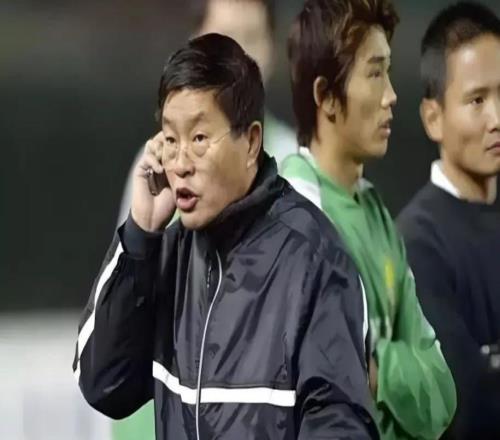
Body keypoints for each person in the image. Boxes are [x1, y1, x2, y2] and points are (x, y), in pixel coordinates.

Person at [73, 33, 379, 440]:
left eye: (199, 139)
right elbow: (103, 384)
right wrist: (140, 232)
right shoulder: (165, 251)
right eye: (170, 139)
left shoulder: (313, 259)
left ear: (251, 142)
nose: (180, 162)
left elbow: (340, 427)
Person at [280, 1, 456, 439]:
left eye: (388, 72)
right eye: (375, 73)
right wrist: (397, 371)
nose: (391, 95)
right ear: (325, 96)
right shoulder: (293, 214)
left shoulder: (376, 215)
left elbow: (441, 397)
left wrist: (380, 369)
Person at [397, 2, 500, 438]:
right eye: (477, 100)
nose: (497, 119)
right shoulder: (417, 242)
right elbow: (463, 403)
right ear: (433, 117)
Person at [116, 0, 297, 226]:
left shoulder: (296, 164)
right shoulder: (155, 166)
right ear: (195, 46)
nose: (238, 61)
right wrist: (146, 231)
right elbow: (127, 248)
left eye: (251, 38)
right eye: (224, 41)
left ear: (273, 49)